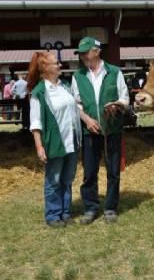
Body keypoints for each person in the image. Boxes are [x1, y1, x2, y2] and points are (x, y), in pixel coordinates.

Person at [71, 37, 129, 224]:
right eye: (81, 53)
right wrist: (87, 120)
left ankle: (110, 208)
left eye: (86, 52)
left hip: (112, 128)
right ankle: (90, 207)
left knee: (113, 170)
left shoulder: (114, 72)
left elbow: (125, 98)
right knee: (89, 171)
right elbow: (75, 104)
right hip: (90, 130)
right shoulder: (77, 76)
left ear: (97, 51)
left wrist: (117, 105)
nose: (83, 57)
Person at [28, 52, 82, 228]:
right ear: (45, 69)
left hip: (71, 140)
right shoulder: (39, 92)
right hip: (54, 141)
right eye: (55, 63)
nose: (60, 65)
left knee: (67, 178)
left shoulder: (64, 86)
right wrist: (39, 147)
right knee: (54, 179)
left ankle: (65, 213)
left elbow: (75, 109)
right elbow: (35, 123)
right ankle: (53, 215)